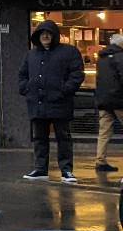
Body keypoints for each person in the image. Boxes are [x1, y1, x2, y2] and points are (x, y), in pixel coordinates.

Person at [19, 20, 84, 183]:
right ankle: (40, 169)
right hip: (37, 103)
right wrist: (26, 88)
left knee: (64, 138)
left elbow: (77, 74)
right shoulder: (31, 54)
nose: (45, 36)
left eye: (48, 33)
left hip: (60, 102)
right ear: (38, 36)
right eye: (42, 33)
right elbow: (22, 75)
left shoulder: (69, 52)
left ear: (54, 35)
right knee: (39, 138)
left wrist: (65, 90)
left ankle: (67, 170)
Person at [95, 34, 123, 172]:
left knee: (104, 132)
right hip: (119, 100)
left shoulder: (101, 58)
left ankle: (100, 161)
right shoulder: (121, 57)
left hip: (103, 100)